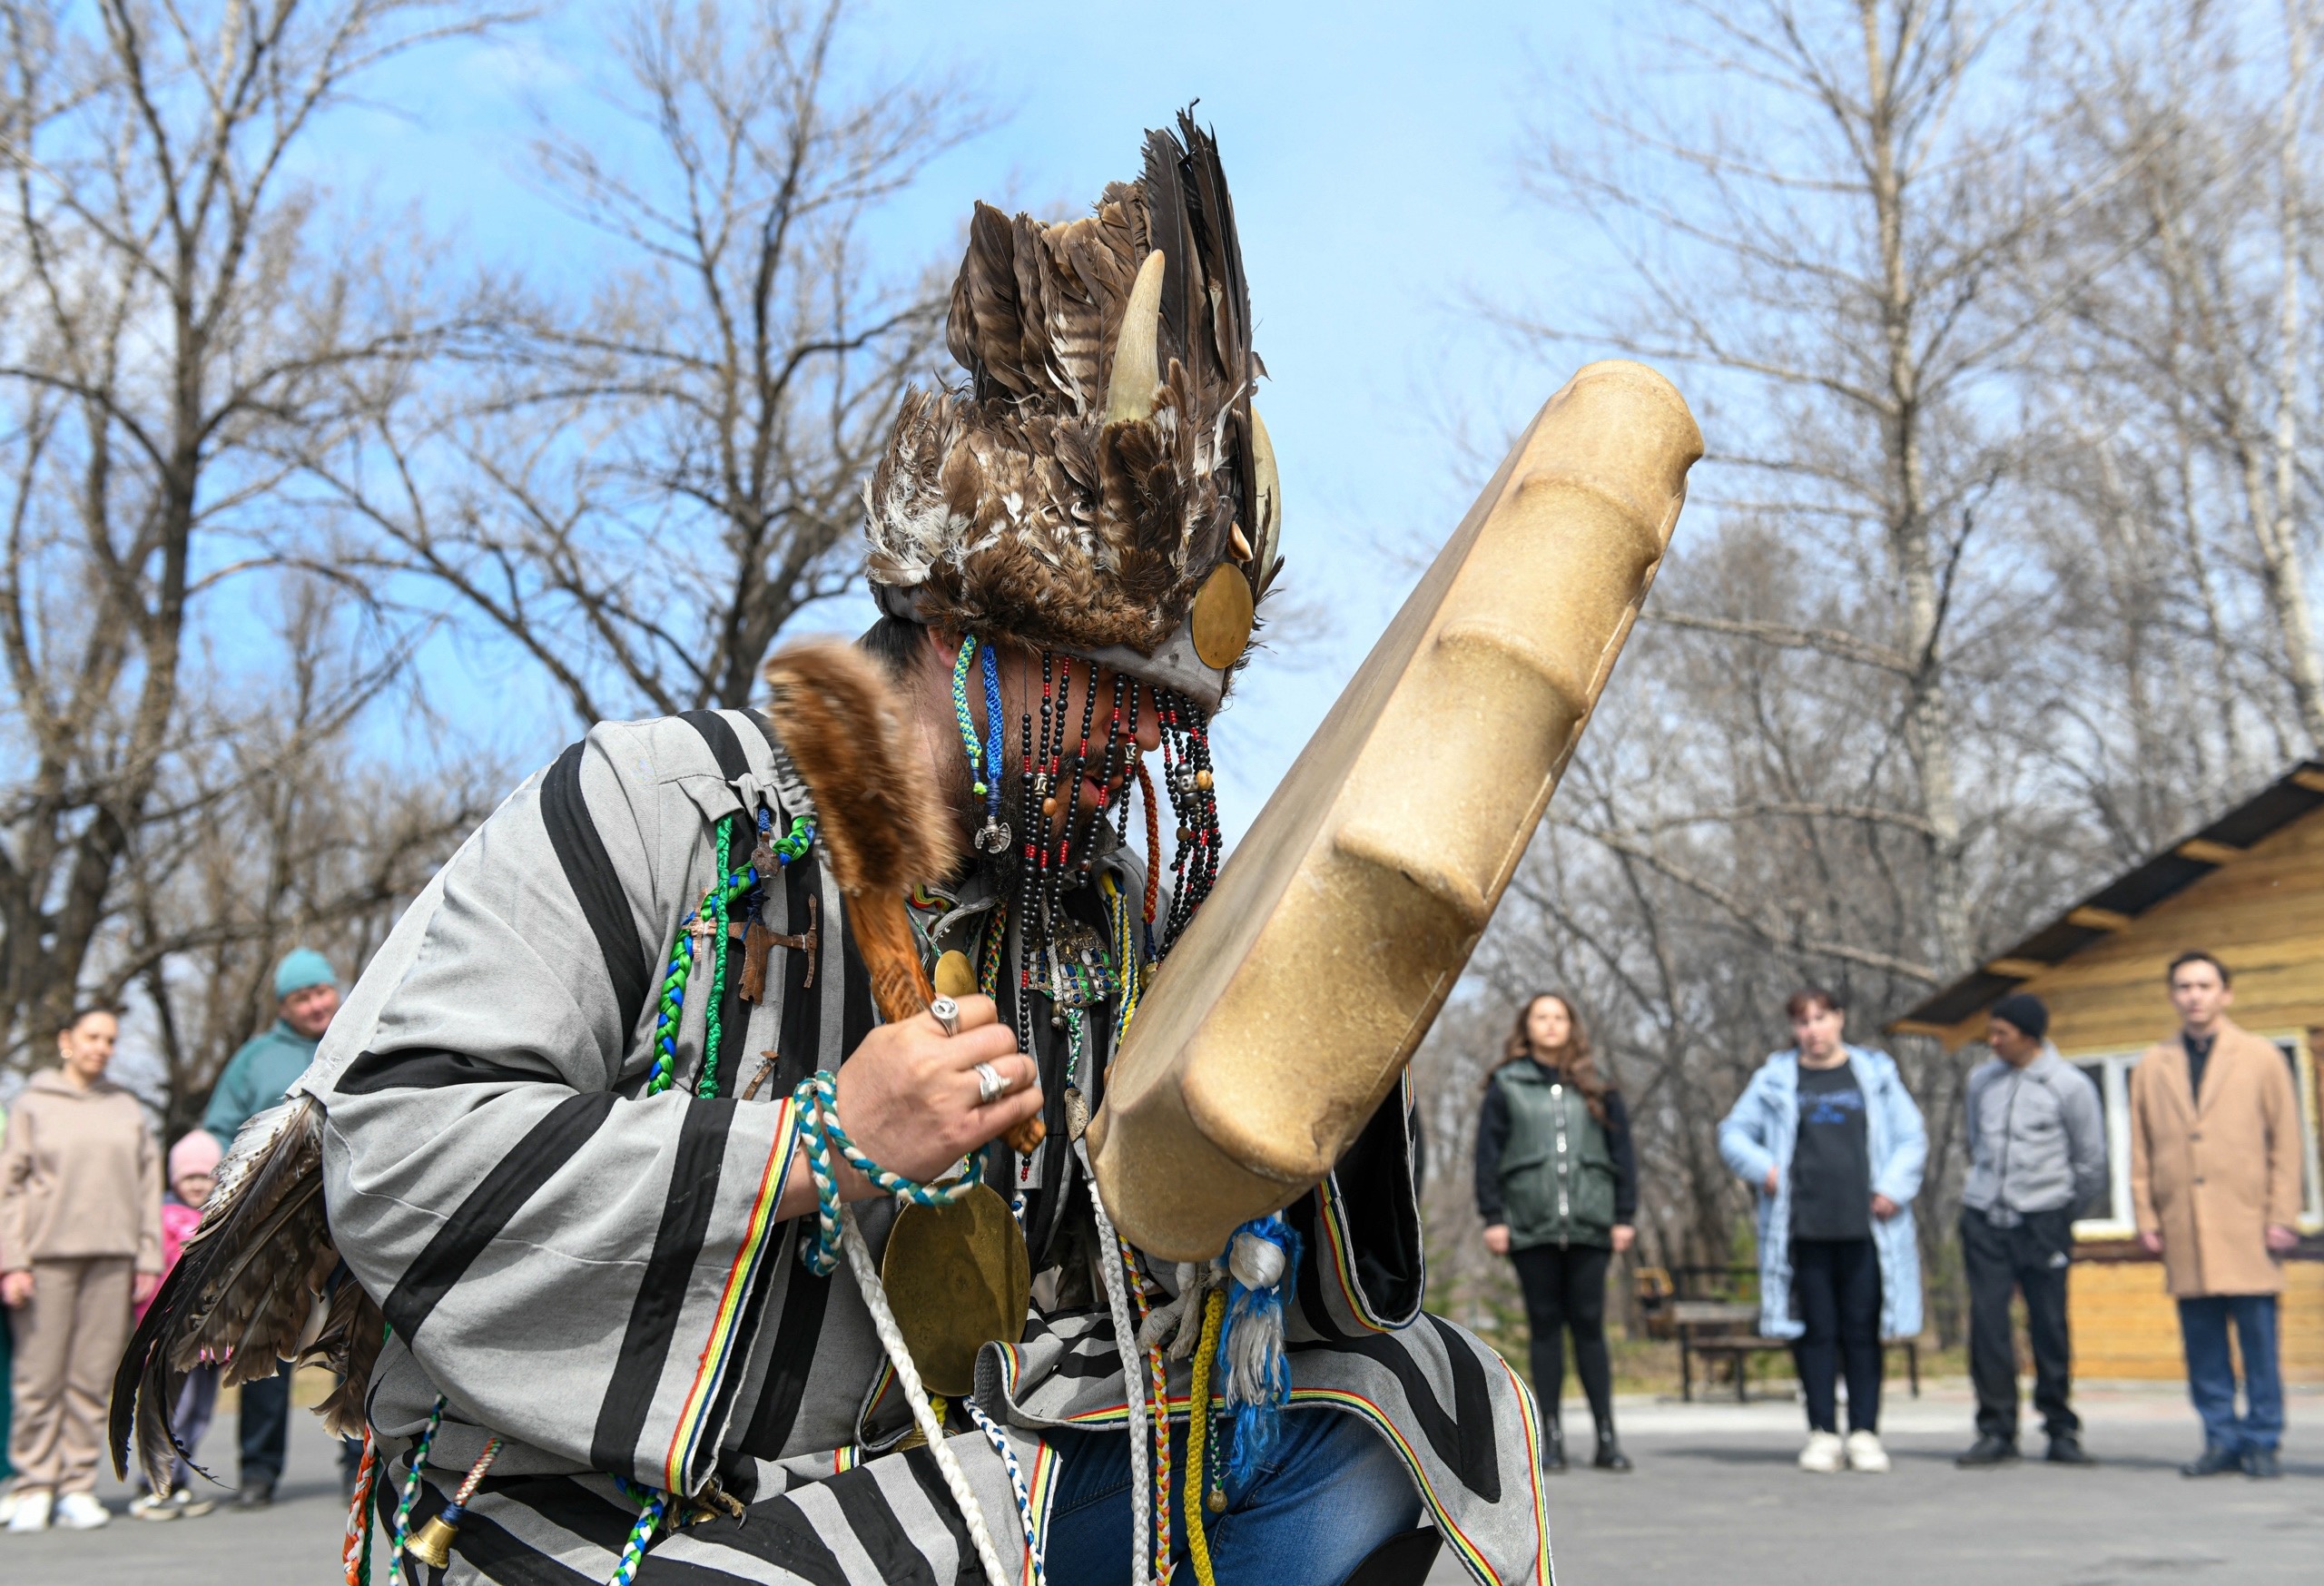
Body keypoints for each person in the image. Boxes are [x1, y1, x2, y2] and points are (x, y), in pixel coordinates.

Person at [129, 115, 1549, 1586]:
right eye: (1118, 692)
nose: (1145, 746)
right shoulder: (661, 805)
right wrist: (818, 1145)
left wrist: (1315, 1054)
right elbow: (402, 1151)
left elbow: (1158, 1264)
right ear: (965, 636)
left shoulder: (1090, 920)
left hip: (939, 1486)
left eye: (1177, 717)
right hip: (601, 1518)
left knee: (1393, 1420)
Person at [1718, 986, 1926, 1475]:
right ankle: (1822, 1433)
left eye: (1821, 1018)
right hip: (1803, 1230)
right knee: (1815, 1334)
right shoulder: (1775, 1078)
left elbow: (1911, 1136)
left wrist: (1894, 1187)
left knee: (1862, 1332)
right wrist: (1767, 1170)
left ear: (1840, 1018)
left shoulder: (1875, 1073)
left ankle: (1864, 1433)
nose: (1812, 1030)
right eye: (1802, 1022)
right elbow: (1731, 1133)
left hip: (1867, 1229)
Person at [2129, 951, 2303, 1480]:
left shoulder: (2259, 1057)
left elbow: (2287, 1145)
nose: (2194, 996)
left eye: (2205, 986)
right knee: (2203, 1346)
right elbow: (2140, 1149)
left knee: (2258, 1343)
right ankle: (2220, 1438)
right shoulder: (2151, 1065)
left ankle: (2263, 1440)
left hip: (2248, 1225)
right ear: (2172, 996)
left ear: (2225, 993)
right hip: (2184, 1227)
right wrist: (2146, 1216)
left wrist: (2282, 1215)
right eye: (2184, 987)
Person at [1, 1007, 162, 1532]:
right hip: (45, 1259)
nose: (102, 1047)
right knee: (38, 1376)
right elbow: (10, 1188)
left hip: (112, 1259)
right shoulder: (32, 1104)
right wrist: (11, 1262)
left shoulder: (126, 1108)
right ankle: (33, 1485)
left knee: (92, 1377)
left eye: (111, 1039)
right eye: (92, 1036)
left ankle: (74, 1484)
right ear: (67, 1039)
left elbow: (145, 1187)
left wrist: (147, 1256)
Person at [201, 946, 342, 1509]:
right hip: (277, 1224)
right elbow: (217, 1129)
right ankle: (259, 1470)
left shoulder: (365, 1036)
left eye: (321, 992)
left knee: (358, 1342)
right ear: (284, 1006)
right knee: (266, 1343)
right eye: (301, 998)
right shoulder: (254, 1059)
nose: (315, 1005)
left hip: (353, 1217)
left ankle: (360, 1460)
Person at [1475, 992, 1639, 1473]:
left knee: (1591, 1328)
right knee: (1545, 1330)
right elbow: (1487, 1155)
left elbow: (1622, 1151)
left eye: (1558, 1017)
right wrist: (1494, 1217)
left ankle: (1607, 1437)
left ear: (1572, 1026)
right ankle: (1552, 1437)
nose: (1550, 1025)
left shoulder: (1598, 1083)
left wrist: (1624, 1215)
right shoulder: (1507, 1084)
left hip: (1591, 1225)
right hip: (1530, 1226)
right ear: (1527, 1027)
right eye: (1540, 1017)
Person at [1955, 993, 2106, 1468]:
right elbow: (1975, 1142)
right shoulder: (1982, 1081)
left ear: (2029, 1035)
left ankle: (2060, 1427)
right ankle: (1996, 1428)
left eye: (2002, 1033)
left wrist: (2061, 1213)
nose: (1993, 1041)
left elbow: (2091, 1162)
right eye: (1991, 1032)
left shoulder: (2069, 1086)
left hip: (2044, 1218)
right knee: (1988, 1325)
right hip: (1986, 1218)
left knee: (2048, 1323)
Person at [125, 1132, 222, 1522]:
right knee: (171, 1409)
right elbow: (151, 1289)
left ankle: (179, 1479)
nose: (198, 1184)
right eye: (189, 1177)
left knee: (198, 1411)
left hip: (211, 1339)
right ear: (173, 1179)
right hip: (171, 1340)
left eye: (206, 1176)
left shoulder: (222, 1218)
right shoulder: (165, 1221)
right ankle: (154, 1481)